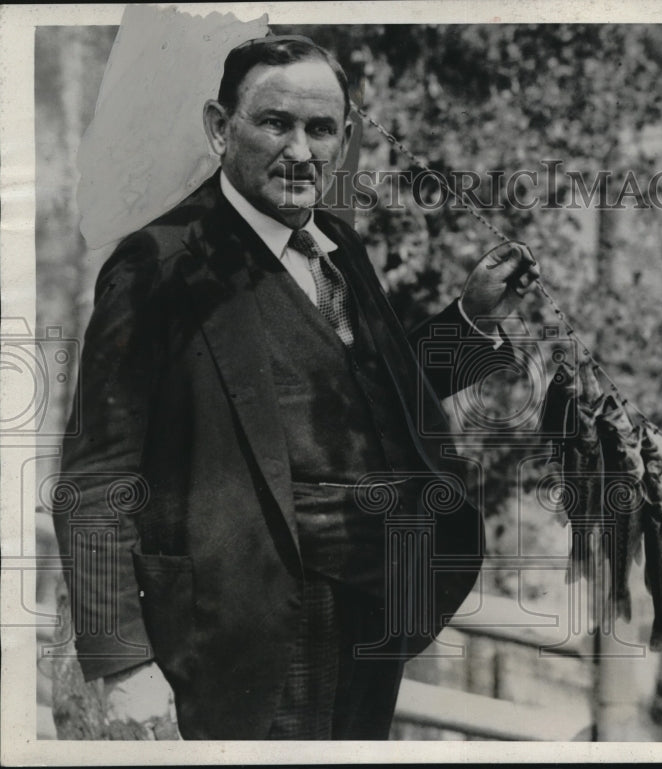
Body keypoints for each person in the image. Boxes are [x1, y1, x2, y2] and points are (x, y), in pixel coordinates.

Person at [53, 33, 539, 741]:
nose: (301, 151)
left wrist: (471, 320)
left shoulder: (342, 248)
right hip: (242, 630)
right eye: (276, 123)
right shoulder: (159, 265)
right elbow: (97, 477)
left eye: (320, 129)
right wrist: (123, 662)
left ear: (343, 139)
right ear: (221, 129)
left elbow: (377, 397)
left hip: (371, 616)